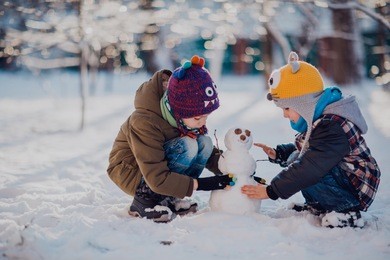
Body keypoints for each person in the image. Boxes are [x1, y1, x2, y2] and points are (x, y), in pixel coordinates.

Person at [241, 52, 381, 228]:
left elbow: (312, 164)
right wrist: (280, 153)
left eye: (286, 108)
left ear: (303, 104)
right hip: (342, 177)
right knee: (298, 161)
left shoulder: (333, 125)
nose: (285, 115)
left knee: (306, 168)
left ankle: (346, 211)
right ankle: (321, 205)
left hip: (355, 186)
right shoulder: (320, 119)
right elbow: (310, 149)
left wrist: (271, 191)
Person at [107, 55, 235, 223]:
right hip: (133, 171)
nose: (203, 122)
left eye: (206, 116)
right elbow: (156, 175)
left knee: (205, 143)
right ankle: (144, 201)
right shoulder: (144, 121)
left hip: (159, 169)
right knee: (189, 145)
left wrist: (235, 170)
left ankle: (169, 198)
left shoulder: (182, 118)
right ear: (179, 110)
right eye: (198, 118)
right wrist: (206, 183)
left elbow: (209, 154)